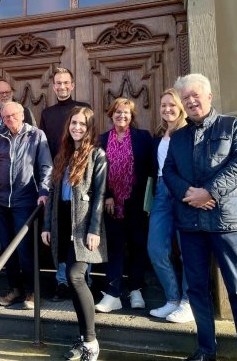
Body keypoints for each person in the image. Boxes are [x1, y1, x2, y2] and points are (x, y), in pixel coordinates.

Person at [162, 74, 237, 361]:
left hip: (226, 220)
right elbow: (168, 172)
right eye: (186, 98)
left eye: (195, 95)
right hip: (190, 222)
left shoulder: (233, 125)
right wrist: (190, 194)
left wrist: (209, 193)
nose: (191, 101)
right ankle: (206, 349)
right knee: (196, 289)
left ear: (208, 96)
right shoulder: (177, 136)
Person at [41, 106, 107, 361]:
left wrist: (94, 230)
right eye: (74, 123)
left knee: (75, 276)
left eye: (82, 124)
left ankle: (91, 341)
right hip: (63, 222)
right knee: (72, 278)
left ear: (89, 128)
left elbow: (100, 195)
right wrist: (47, 225)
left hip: (84, 226)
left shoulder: (97, 155)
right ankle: (84, 337)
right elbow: (53, 194)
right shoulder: (64, 154)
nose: (77, 127)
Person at [0, 101, 52, 310]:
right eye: (6, 117)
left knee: (24, 249)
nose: (10, 119)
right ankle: (14, 289)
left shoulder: (36, 135)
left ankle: (32, 292)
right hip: (0, 203)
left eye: (13, 115)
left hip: (25, 202)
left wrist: (43, 191)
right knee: (5, 249)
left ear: (22, 115)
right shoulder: (0, 140)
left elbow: (46, 166)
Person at [95, 97, 153, 313]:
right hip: (111, 205)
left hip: (136, 203)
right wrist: (108, 195)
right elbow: (97, 173)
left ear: (132, 116)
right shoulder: (101, 140)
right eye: (118, 112)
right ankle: (113, 294)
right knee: (115, 248)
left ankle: (136, 289)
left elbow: (149, 169)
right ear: (111, 114)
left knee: (138, 246)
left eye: (126, 113)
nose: (122, 115)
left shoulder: (143, 138)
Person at [39, 67, 92, 300]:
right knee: (61, 229)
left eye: (65, 83)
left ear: (72, 85)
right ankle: (62, 282)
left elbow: (91, 138)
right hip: (58, 175)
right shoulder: (47, 113)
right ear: (53, 87)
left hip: (81, 173)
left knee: (80, 228)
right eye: (57, 83)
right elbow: (44, 149)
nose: (61, 87)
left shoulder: (82, 108)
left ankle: (84, 281)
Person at [147, 89, 195, 323]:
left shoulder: (188, 132)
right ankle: (172, 299)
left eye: (172, 105)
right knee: (155, 247)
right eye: (163, 105)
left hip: (182, 191)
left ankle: (188, 302)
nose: (167, 109)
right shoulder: (159, 134)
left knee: (188, 250)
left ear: (181, 108)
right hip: (160, 191)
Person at [0, 80, 36, 168]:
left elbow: (34, 140)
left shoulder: (25, 112)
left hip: (21, 169)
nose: (4, 95)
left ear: (12, 93)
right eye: (1, 93)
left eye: (7, 92)